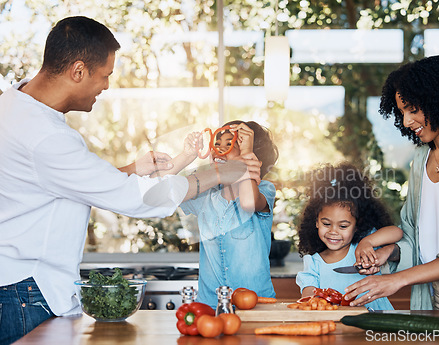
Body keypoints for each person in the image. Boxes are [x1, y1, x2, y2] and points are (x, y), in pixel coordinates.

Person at [0, 16, 258, 344]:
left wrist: (133, 169)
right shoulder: (46, 138)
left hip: (15, 286)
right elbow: (138, 200)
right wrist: (214, 174)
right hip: (29, 292)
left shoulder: (12, 104)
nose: (106, 86)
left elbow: (62, 183)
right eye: (105, 75)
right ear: (78, 71)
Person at [344, 55, 439, 312]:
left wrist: (397, 279)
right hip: (429, 294)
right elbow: (415, 234)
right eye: (402, 111)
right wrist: (389, 253)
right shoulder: (421, 157)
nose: (406, 121)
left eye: (413, 109)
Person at [177, 120, 279, 308]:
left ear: (255, 161)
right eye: (217, 143)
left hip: (256, 305)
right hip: (209, 306)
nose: (219, 150)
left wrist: (247, 153)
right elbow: (169, 192)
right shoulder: (205, 195)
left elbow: (248, 203)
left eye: (230, 144)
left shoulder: (266, 190)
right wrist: (186, 155)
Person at [296, 162, 402, 310]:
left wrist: (367, 241)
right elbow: (308, 292)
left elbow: (397, 232)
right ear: (316, 222)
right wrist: (312, 302)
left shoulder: (363, 248)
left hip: (376, 319)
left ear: (357, 225)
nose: (333, 231)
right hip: (337, 325)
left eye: (343, 226)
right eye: (326, 224)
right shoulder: (313, 262)